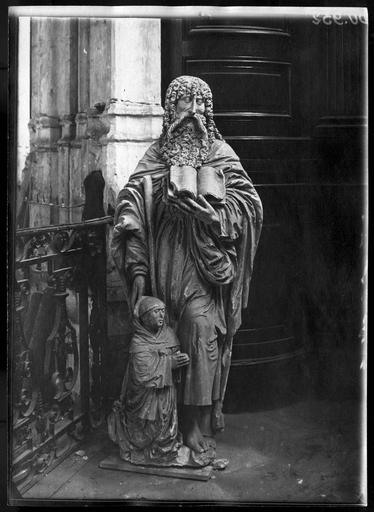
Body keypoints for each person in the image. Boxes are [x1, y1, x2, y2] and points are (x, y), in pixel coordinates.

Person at [112, 75, 263, 455]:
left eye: (201, 105)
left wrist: (213, 217)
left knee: (198, 330)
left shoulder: (220, 152)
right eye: (185, 104)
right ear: (171, 110)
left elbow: (250, 205)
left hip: (202, 264)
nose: (193, 112)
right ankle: (165, 421)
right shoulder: (155, 154)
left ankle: (194, 424)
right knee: (162, 335)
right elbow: (132, 196)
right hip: (163, 259)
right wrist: (139, 210)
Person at [107, 296, 191, 466]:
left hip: (166, 393)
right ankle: (148, 450)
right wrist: (170, 363)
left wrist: (179, 359)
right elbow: (143, 375)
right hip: (144, 398)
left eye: (162, 312)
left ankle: (164, 448)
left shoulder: (169, 333)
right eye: (156, 312)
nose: (161, 316)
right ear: (144, 317)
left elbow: (174, 352)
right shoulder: (138, 342)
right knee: (150, 426)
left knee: (166, 425)